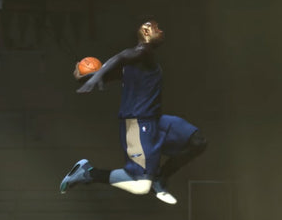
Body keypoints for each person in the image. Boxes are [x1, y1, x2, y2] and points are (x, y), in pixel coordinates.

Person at [59, 18, 207, 205]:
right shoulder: (143, 52)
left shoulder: (136, 64)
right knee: (140, 186)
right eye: (157, 28)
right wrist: (94, 75)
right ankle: (88, 173)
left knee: (198, 141)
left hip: (156, 120)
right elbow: (122, 56)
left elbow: (101, 72)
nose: (161, 31)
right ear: (146, 33)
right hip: (138, 125)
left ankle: (160, 178)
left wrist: (85, 75)